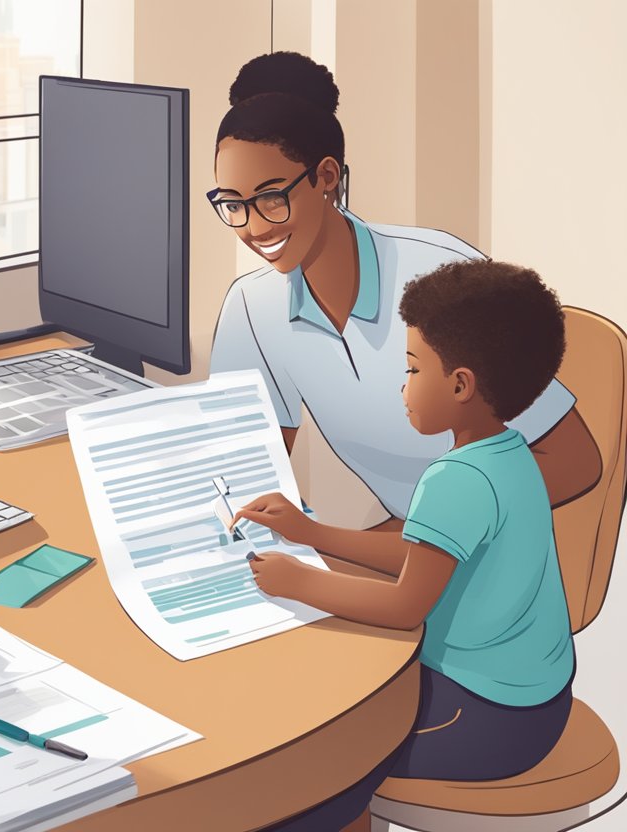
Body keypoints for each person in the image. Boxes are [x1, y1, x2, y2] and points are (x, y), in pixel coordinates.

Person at [235, 260, 576, 831]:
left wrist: (301, 581)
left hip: (490, 715)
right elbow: (426, 559)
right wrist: (312, 533)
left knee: (320, 761)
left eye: (413, 369)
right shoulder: (509, 455)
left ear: (461, 385)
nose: (402, 387)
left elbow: (404, 605)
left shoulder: (456, 480)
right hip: (535, 699)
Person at [209, 52, 600, 520]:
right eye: (233, 204)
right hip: (396, 547)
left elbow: (573, 463)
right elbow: (242, 476)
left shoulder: (438, 274)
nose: (253, 227)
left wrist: (409, 544)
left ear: (327, 177)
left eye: (271, 199)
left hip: (478, 544)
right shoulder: (251, 306)